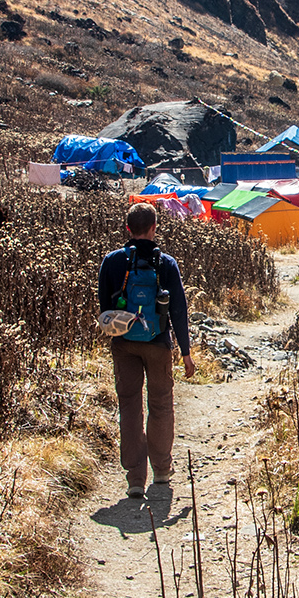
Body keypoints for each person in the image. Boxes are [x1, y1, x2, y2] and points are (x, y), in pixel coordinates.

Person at [97, 203, 194, 498]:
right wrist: (186, 352)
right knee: (161, 405)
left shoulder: (112, 261)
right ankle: (162, 471)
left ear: (128, 228)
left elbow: (105, 310)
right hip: (158, 343)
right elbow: (178, 309)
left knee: (129, 407)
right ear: (154, 227)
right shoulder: (166, 263)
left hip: (124, 344)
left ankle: (135, 479)